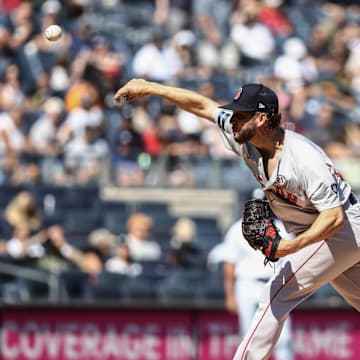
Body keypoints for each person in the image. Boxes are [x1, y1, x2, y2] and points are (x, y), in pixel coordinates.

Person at [114, 79, 360, 360]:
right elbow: (202, 105)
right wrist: (150, 87)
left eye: (241, 115)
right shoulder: (240, 134)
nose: (233, 120)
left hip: (343, 226)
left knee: (276, 292)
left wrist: (291, 247)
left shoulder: (303, 157)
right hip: (329, 231)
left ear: (262, 118)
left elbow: (334, 217)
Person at [209, 188, 295, 360]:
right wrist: (230, 295)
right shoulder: (237, 229)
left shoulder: (280, 228)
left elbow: (292, 261)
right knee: (248, 336)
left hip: (274, 284)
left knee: (283, 338)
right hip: (247, 284)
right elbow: (229, 264)